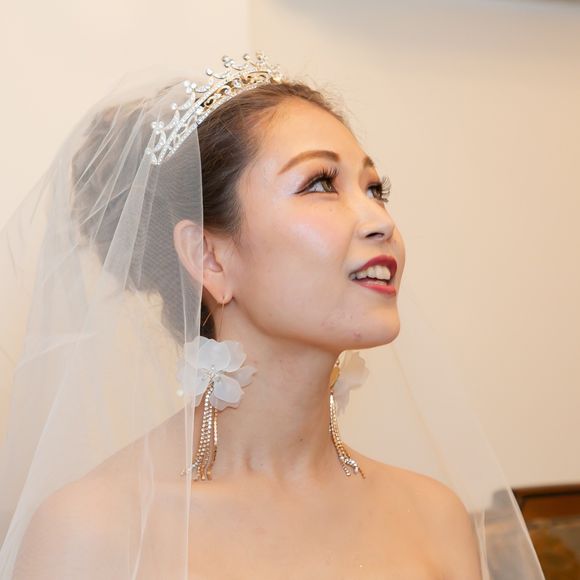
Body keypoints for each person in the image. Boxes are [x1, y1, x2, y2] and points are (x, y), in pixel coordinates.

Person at [0, 52, 545, 578]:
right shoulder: (95, 531)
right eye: (320, 184)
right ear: (209, 258)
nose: (380, 221)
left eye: (375, 189)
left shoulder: (436, 518)